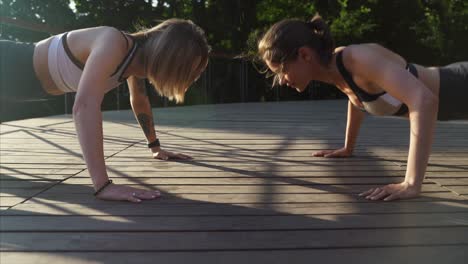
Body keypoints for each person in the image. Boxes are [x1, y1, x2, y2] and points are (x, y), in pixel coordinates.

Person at [257, 14, 468, 201]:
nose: (282, 81)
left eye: (282, 70)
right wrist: (348, 147)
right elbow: (356, 98)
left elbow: (425, 101)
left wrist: (411, 183)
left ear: (304, 55)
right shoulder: (336, 70)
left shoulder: (356, 59)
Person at [0, 18, 210, 203]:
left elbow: (139, 100)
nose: (189, 79)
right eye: (187, 71)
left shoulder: (136, 61)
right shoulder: (114, 43)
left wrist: (155, 147)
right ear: (170, 59)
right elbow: (84, 106)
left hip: (22, 85)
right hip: (9, 64)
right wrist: (103, 185)